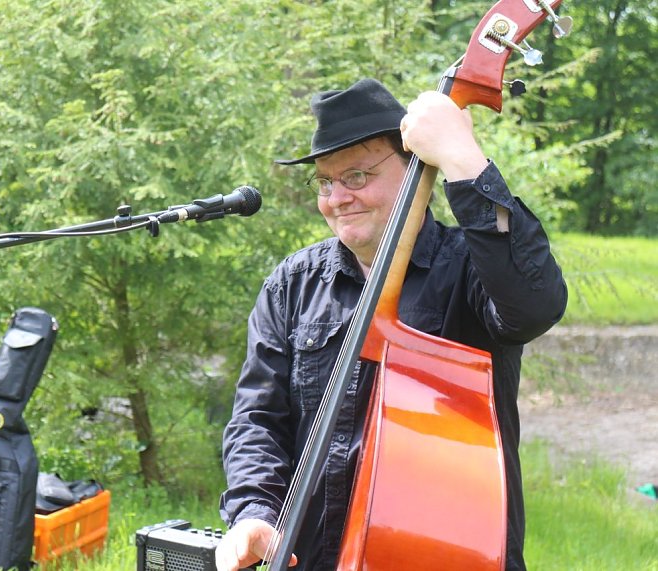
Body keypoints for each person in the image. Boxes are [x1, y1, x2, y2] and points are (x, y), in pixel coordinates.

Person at [216, 78, 567, 571]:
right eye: (325, 182)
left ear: (413, 172)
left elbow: (535, 305)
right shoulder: (292, 284)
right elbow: (258, 418)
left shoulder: (472, 269)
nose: (337, 197)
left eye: (357, 176)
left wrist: (464, 159)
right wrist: (253, 512)